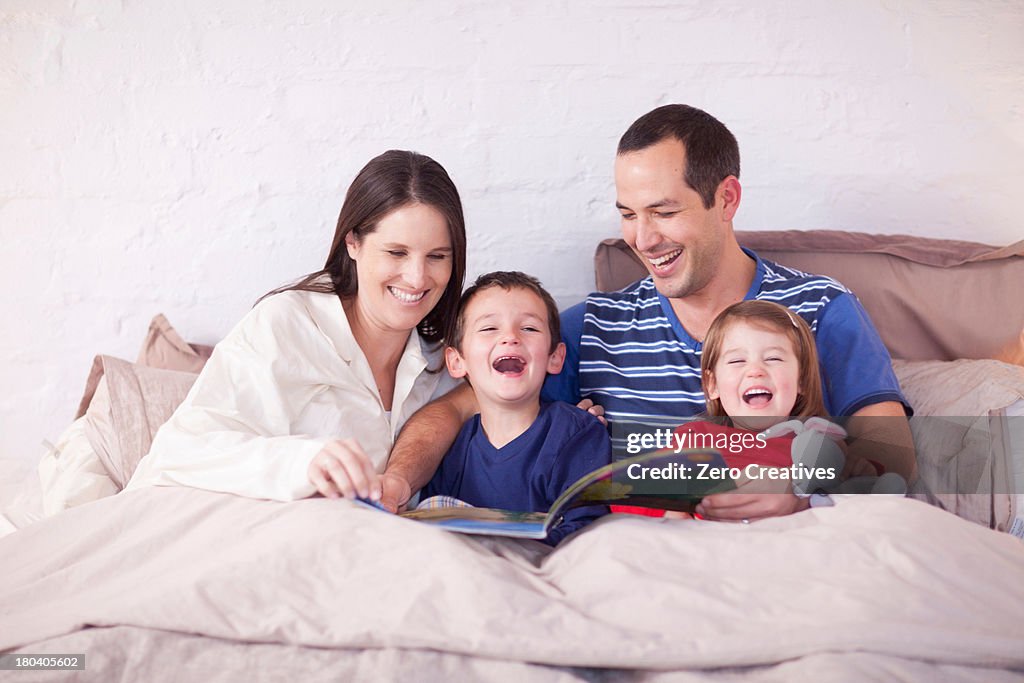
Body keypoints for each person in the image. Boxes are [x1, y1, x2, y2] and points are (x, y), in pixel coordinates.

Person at [370, 104, 917, 519]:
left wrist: (798, 498)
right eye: (628, 214)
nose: (643, 238)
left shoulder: (821, 308)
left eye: (663, 211)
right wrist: (396, 484)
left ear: (726, 199)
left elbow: (893, 465)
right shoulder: (594, 326)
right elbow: (452, 412)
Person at [126, 150, 467, 501]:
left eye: (437, 256)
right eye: (396, 253)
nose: (416, 277)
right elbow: (179, 450)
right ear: (353, 243)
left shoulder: (443, 362)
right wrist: (304, 462)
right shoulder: (286, 324)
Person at [419, 271, 611, 545]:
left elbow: (587, 531)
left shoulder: (577, 433)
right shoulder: (456, 448)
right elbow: (432, 527)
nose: (510, 337)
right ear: (457, 361)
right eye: (489, 328)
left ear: (554, 358)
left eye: (529, 328)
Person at [615, 300, 850, 520]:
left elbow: (860, 493)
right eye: (737, 361)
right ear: (712, 385)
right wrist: (672, 507)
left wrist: (801, 498)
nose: (755, 370)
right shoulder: (695, 438)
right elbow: (631, 490)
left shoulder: (818, 443)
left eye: (774, 358)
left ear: (801, 380)